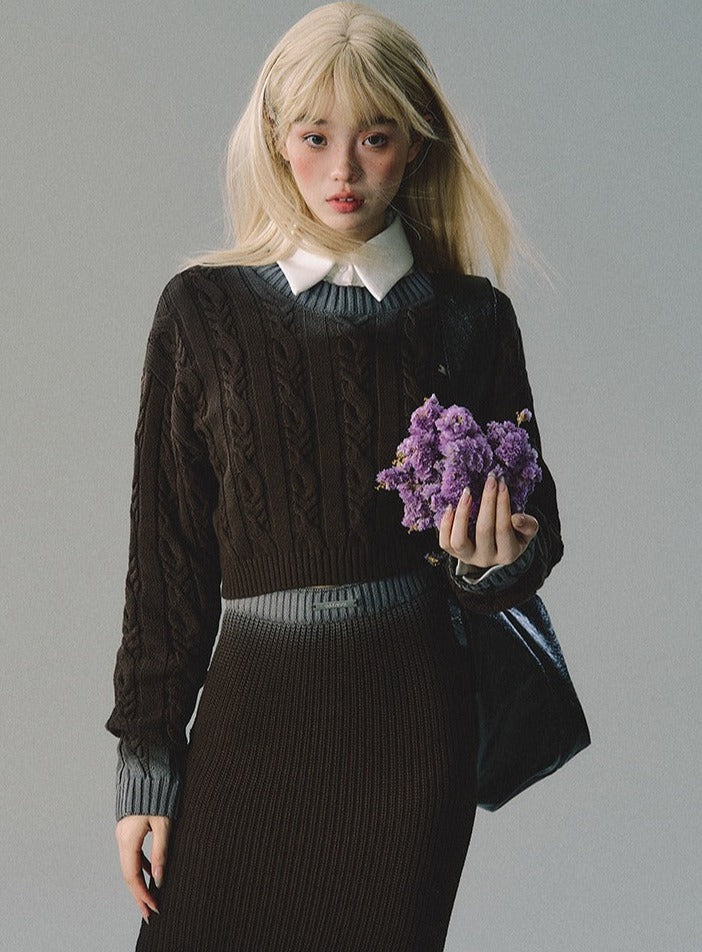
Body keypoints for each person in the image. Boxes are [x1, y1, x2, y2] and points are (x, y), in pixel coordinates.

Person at [106, 4, 563, 950]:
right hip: (251, 712)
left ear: (415, 145)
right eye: (316, 137)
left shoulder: (470, 319)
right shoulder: (201, 312)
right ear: (278, 139)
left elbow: (533, 536)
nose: (343, 170)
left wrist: (489, 561)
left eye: (375, 138)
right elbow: (167, 559)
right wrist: (147, 761)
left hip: (410, 726)